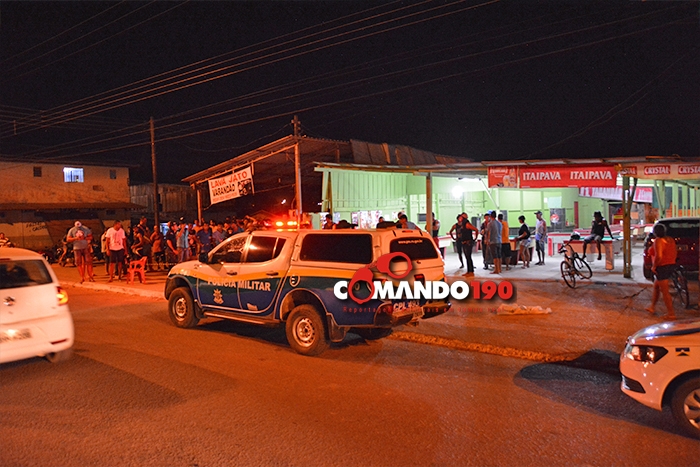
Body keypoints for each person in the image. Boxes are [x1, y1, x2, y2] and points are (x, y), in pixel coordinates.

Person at [646, 223, 678, 319]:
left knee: (665, 291)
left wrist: (654, 266)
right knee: (656, 286)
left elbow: (659, 256)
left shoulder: (658, 241)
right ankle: (652, 307)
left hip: (662, 266)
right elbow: (674, 252)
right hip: (671, 264)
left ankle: (671, 313)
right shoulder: (670, 240)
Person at [460, 213, 478, 277]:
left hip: (468, 242)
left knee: (468, 257)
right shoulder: (462, 224)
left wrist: (475, 238)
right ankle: (469, 271)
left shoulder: (467, 224)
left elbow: (476, 229)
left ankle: (470, 271)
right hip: (464, 242)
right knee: (467, 257)